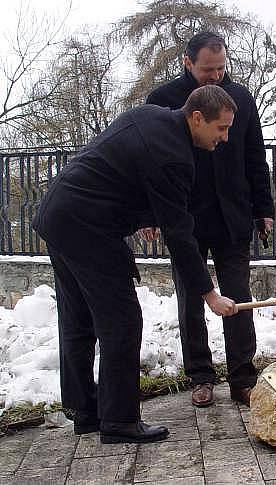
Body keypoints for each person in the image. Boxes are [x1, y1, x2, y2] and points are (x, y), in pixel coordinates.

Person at [33, 85, 240, 443]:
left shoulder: (151, 116)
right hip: (90, 226)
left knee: (78, 318)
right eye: (221, 128)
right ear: (196, 118)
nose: (225, 137)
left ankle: (84, 411)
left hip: (58, 213)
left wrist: (143, 214)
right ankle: (119, 420)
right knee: (123, 320)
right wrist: (209, 295)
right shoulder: (175, 155)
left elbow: (121, 168)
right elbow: (180, 234)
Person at [144, 32, 274, 408]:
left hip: (233, 213)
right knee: (190, 299)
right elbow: (152, 166)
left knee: (237, 295)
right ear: (188, 63)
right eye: (207, 69)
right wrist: (152, 214)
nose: (216, 75)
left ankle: (242, 378)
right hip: (183, 216)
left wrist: (262, 208)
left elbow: (255, 155)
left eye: (221, 68)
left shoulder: (243, 99)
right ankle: (200, 376)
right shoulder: (163, 101)